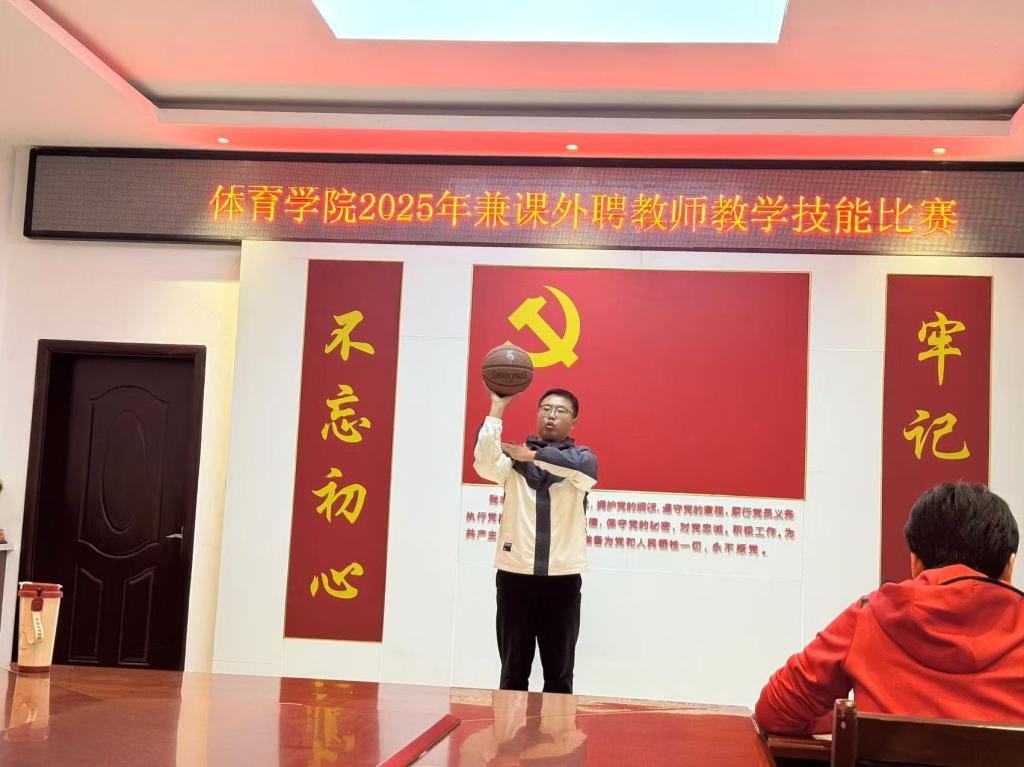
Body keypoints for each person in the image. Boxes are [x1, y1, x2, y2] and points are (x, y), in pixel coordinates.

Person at [755, 482, 1024, 734]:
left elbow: (774, 711)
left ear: (915, 563)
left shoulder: (868, 616)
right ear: (1009, 567)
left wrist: (850, 723)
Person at [473, 387, 598, 694]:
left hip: (562, 580)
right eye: (545, 409)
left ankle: (557, 729)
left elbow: (584, 469)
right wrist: (497, 407)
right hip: (515, 578)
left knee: (559, 677)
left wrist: (532, 456)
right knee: (512, 674)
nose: (551, 415)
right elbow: (484, 462)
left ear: (574, 422)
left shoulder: (581, 460)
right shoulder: (512, 461)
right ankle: (510, 728)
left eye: (560, 411)